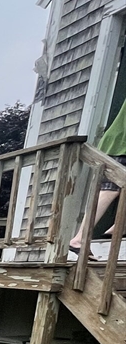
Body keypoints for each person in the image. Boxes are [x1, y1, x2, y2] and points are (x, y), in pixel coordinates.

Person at [70, 98, 126, 256]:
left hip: (118, 142)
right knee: (110, 190)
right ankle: (79, 239)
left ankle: (119, 228)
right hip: (120, 145)